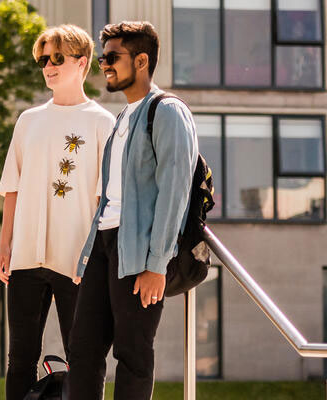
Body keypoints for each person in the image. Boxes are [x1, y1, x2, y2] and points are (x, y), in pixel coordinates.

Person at [66, 21, 199, 400]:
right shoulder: (123, 118)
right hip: (105, 244)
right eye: (103, 57)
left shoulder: (167, 111)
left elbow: (175, 190)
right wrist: (87, 258)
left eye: (112, 57)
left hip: (139, 249)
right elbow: (110, 196)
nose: (104, 64)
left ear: (141, 61)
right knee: (84, 349)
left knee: (133, 352)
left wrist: (157, 263)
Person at [0, 24, 114, 400]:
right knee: (20, 357)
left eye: (57, 58)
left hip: (78, 261)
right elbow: (11, 186)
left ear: (82, 62)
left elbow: (104, 201)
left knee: (84, 354)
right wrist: (4, 246)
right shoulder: (28, 120)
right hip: (26, 257)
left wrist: (94, 258)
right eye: (43, 59)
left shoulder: (102, 123)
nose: (48, 66)